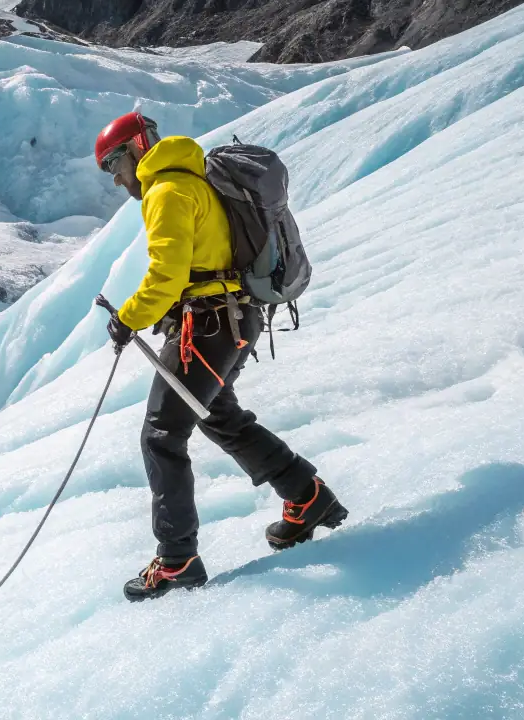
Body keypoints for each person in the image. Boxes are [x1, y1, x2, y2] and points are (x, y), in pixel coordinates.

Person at [94, 112, 348, 601]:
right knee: (218, 416)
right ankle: (307, 497)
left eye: (113, 163)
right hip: (233, 321)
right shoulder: (192, 183)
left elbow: (166, 275)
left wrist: (128, 317)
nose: (116, 176)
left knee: (162, 435)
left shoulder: (167, 190)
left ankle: (176, 561)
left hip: (206, 326)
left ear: (136, 149)